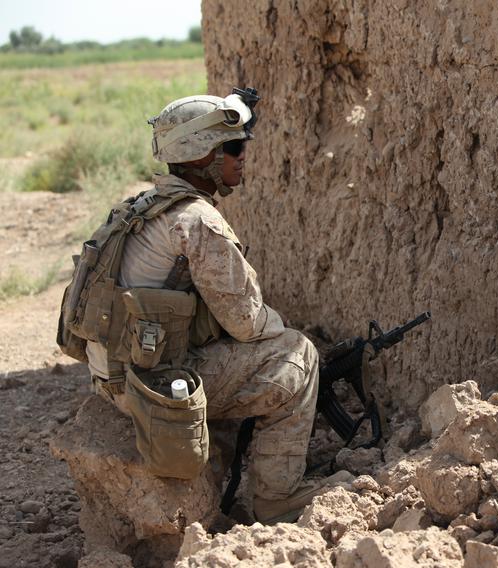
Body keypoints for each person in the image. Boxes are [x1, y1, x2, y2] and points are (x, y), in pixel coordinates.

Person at [67, 90, 341, 524]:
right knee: (299, 356)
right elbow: (248, 324)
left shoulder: (140, 207)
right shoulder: (198, 221)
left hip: (113, 374)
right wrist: (282, 329)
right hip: (147, 387)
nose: (243, 155)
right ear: (199, 156)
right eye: (232, 147)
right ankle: (277, 500)